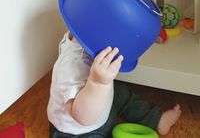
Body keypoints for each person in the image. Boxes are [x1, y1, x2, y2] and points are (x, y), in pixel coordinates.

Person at [47, 31, 181, 138]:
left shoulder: (87, 38)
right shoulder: (72, 67)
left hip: (102, 108)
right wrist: (98, 83)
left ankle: (157, 119)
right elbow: (82, 117)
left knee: (122, 94)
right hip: (78, 131)